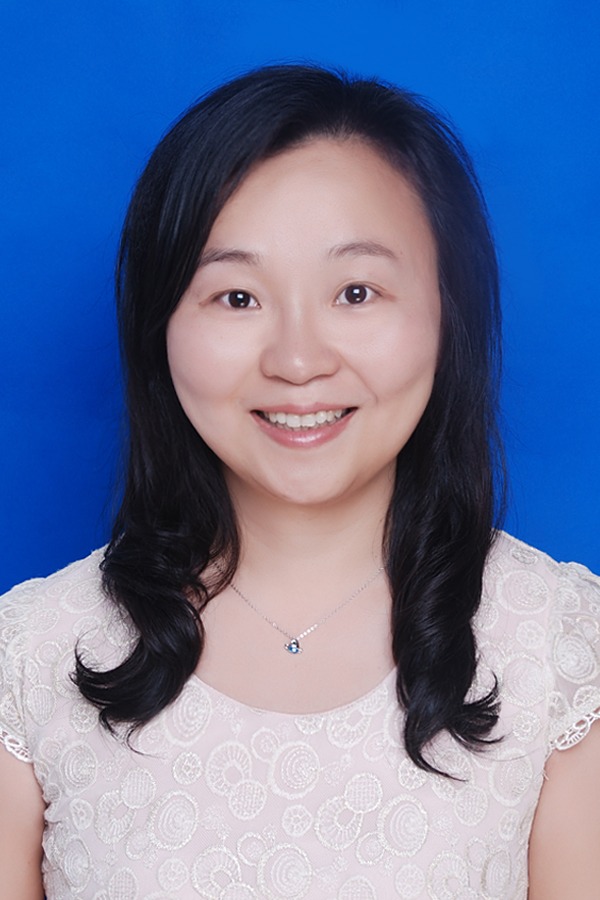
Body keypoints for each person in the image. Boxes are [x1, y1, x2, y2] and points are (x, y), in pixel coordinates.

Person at [1, 64, 599, 900]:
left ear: (447, 312)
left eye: (356, 291)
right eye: (237, 297)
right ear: (159, 326)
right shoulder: (28, 658)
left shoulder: (561, 649)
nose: (297, 361)